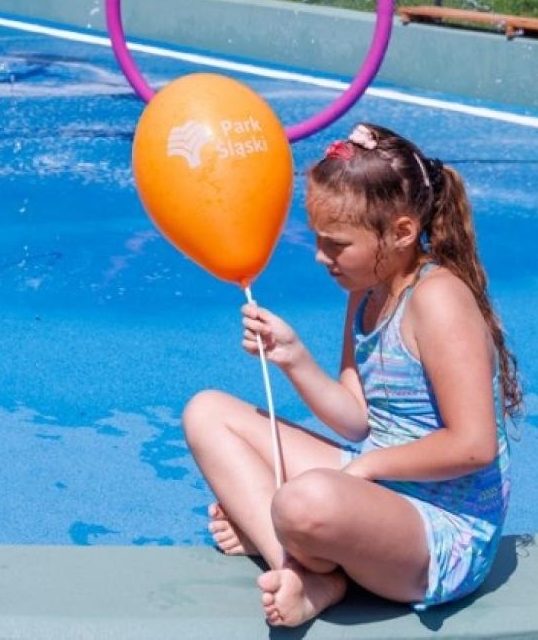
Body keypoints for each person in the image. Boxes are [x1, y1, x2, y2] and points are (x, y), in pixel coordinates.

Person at [182, 122, 519, 628]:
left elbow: (473, 445)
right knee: (206, 412)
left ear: (402, 232)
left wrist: (365, 470)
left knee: (303, 502)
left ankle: (290, 544)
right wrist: (292, 357)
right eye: (318, 239)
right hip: (375, 483)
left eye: (337, 244)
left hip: (441, 529)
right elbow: (357, 420)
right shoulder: (367, 290)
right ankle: (303, 569)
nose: (321, 257)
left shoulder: (439, 300)